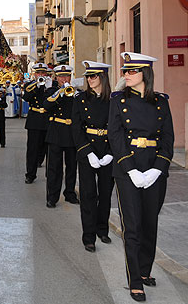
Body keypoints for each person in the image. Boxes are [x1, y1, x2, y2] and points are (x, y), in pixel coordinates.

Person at [108, 52, 174, 302]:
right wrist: (131, 169)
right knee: (132, 227)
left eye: (131, 71)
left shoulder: (161, 101)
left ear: (145, 73)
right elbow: (115, 136)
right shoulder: (118, 100)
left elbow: (168, 138)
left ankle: (145, 270)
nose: (126, 74)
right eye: (125, 71)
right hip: (129, 169)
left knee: (150, 223)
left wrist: (158, 168)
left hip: (154, 168)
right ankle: (135, 281)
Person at [71, 61, 114, 253]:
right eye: (88, 76)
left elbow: (118, 128)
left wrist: (111, 153)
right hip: (87, 149)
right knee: (88, 194)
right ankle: (88, 236)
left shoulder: (113, 100)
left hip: (107, 149)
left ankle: (102, 229)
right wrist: (87, 152)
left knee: (105, 193)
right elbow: (76, 127)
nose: (90, 79)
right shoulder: (80, 99)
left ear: (102, 77)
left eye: (94, 76)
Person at [43, 65, 79, 208]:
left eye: (67, 76)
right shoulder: (51, 91)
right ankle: (52, 196)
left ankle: (69, 193)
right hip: (56, 132)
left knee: (71, 166)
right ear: (56, 78)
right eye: (61, 76)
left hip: (71, 133)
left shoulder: (76, 92)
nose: (64, 79)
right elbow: (46, 105)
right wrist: (60, 93)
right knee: (54, 167)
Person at [22, 63, 52, 184]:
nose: (40, 75)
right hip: (34, 119)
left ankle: (49, 174)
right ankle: (30, 174)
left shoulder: (51, 85)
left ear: (46, 74)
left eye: (43, 73)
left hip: (48, 119)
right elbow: (27, 98)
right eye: (38, 73)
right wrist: (37, 86)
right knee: (32, 149)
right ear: (34, 74)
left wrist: (48, 87)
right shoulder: (30, 85)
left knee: (48, 149)